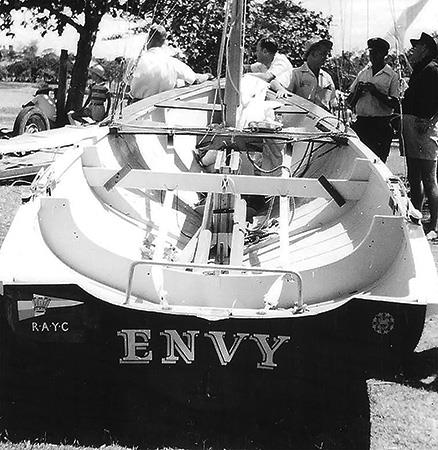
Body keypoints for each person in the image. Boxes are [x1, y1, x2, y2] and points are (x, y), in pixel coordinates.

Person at [401, 32, 438, 236]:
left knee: (429, 177)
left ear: (426, 48)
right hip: (411, 124)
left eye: (417, 46)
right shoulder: (419, 70)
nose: (413, 50)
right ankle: (416, 217)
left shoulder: (433, 69)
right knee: (414, 177)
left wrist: (431, 121)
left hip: (424, 127)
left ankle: (434, 225)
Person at [347, 38, 400, 163]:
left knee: (378, 162)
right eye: (371, 53)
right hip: (362, 123)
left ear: (384, 54)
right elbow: (350, 101)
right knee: (360, 161)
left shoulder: (392, 76)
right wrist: (358, 92)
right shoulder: (363, 73)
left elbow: (395, 103)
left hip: (380, 125)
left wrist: (375, 92)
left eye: (376, 53)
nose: (373, 56)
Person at [130, 24, 213, 101]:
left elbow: (126, 81)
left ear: (148, 40)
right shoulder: (173, 63)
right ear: (163, 42)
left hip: (137, 105)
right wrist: (207, 76)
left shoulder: (135, 61)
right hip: (162, 104)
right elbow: (195, 79)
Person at [271, 37, 336, 111]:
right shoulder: (296, 73)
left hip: (321, 119)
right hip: (301, 118)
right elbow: (274, 82)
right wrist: (280, 89)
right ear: (312, 53)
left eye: (326, 53)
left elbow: (333, 103)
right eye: (322, 53)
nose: (325, 57)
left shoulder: (327, 78)